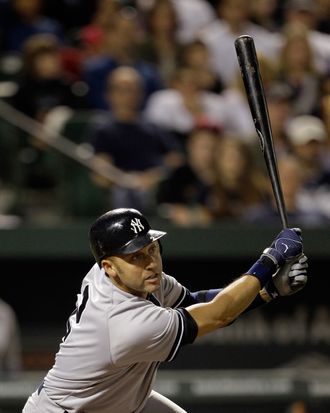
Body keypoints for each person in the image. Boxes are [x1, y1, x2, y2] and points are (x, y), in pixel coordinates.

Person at [23, 207, 308, 413]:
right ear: (108, 267)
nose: (150, 262)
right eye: (135, 256)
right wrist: (271, 259)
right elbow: (219, 314)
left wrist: (267, 291)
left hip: (109, 399)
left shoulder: (126, 275)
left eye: (152, 248)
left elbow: (197, 302)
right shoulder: (123, 322)